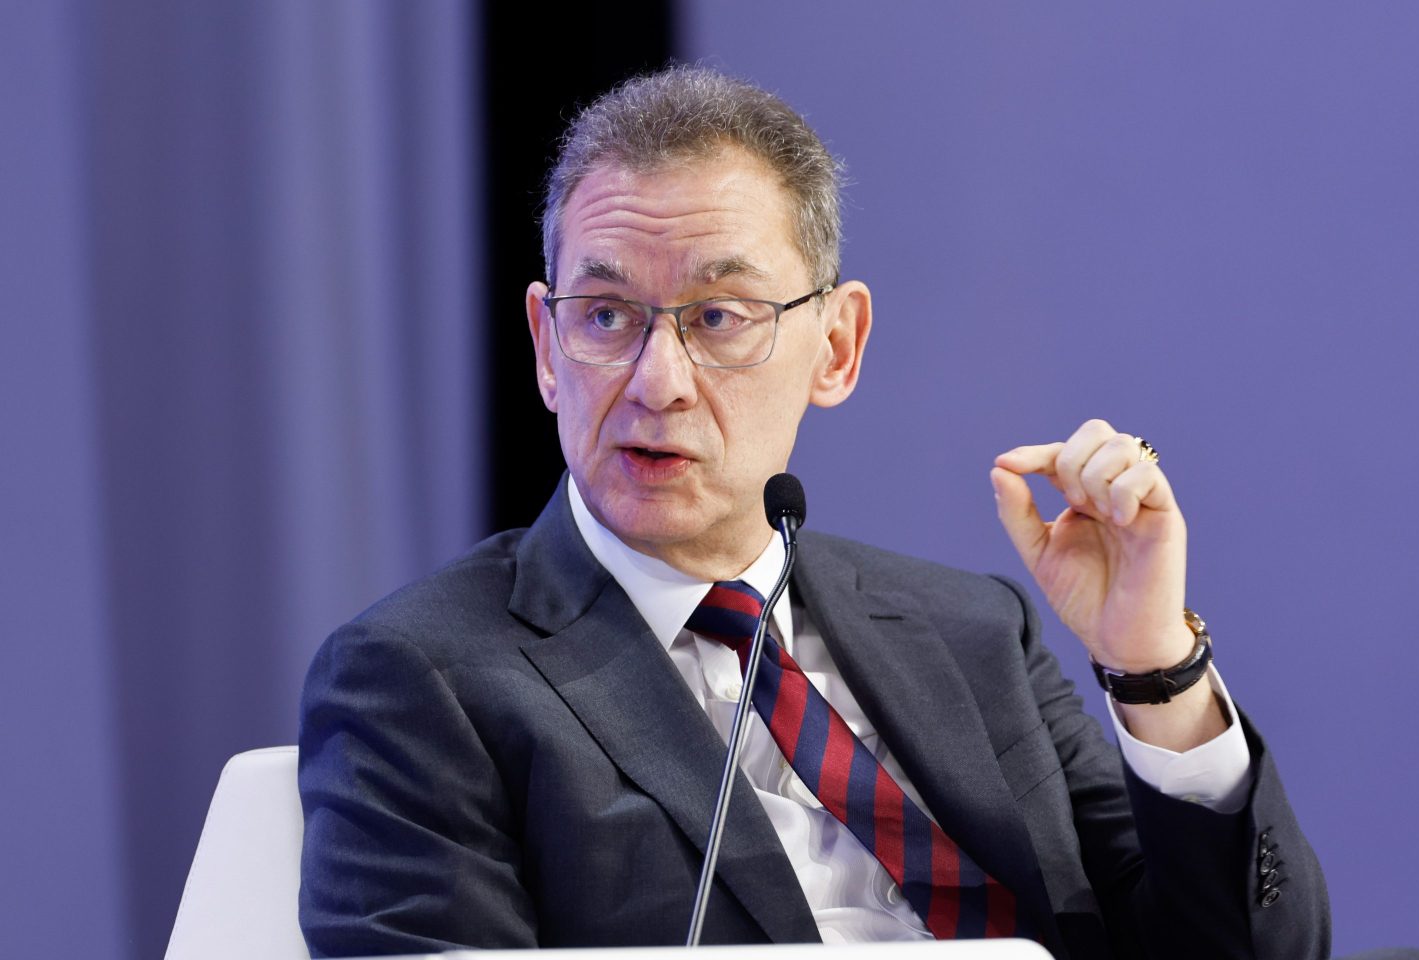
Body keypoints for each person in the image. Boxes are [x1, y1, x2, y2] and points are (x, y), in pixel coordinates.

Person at [298, 66, 1329, 959]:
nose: (657, 381)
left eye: (716, 318)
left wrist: (1152, 658)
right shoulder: (427, 677)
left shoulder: (971, 633)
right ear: (544, 346)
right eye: (606, 317)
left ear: (836, 347)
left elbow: (1252, 957)